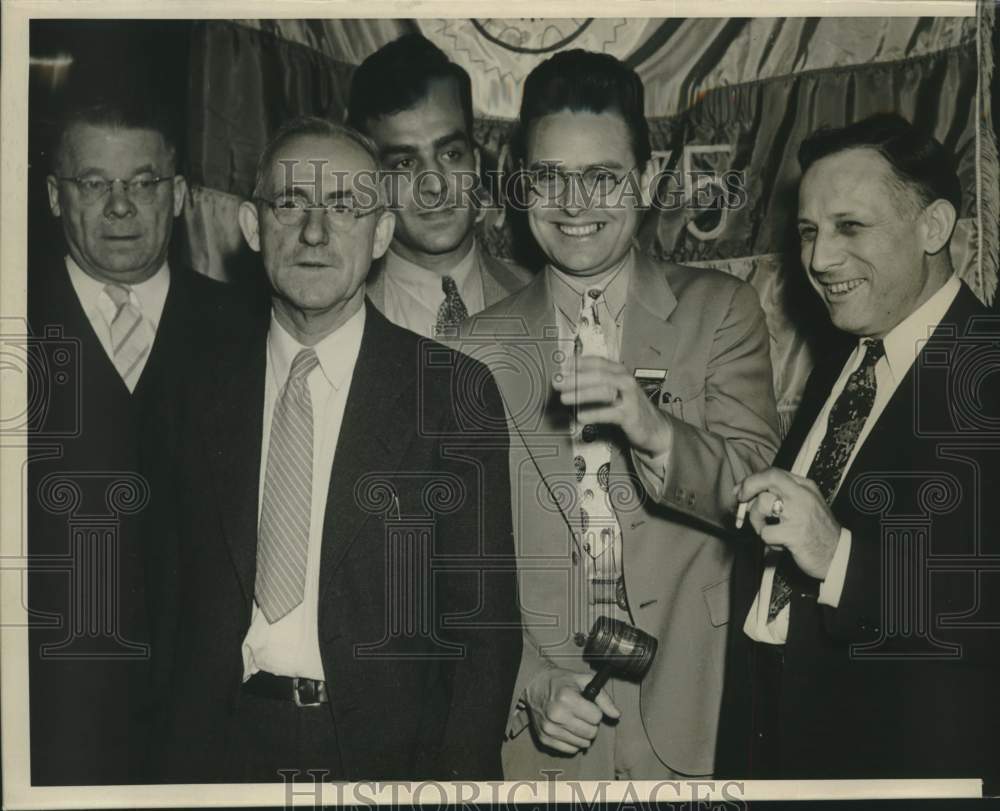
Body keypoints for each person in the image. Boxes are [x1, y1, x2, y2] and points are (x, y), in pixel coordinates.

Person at [150, 116, 521, 782]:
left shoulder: (448, 393)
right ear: (251, 226)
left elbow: (484, 633)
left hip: (387, 756)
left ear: (382, 233)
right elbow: (164, 600)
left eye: (345, 206)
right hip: (217, 750)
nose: (315, 232)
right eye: (291, 203)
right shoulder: (192, 385)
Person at [459, 50, 780, 780]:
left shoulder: (721, 311)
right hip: (543, 741)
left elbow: (761, 495)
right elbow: (457, 571)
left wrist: (656, 431)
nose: (574, 204)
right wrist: (530, 684)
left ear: (641, 179)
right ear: (521, 186)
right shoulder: (473, 350)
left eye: (601, 176)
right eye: (549, 176)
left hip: (701, 719)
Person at [719, 113, 1000, 782]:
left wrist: (837, 555)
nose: (819, 259)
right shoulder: (848, 361)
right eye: (810, 232)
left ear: (934, 227)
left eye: (851, 227)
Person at [27, 95, 234, 784]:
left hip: (212, 732)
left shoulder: (247, 330)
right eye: (94, 183)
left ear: (176, 195)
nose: (120, 206)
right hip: (48, 730)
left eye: (142, 183)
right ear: (56, 198)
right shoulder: (12, 324)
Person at [346, 33, 530, 338]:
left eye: (450, 154)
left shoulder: (543, 298)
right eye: (404, 163)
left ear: (476, 163)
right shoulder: (336, 313)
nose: (434, 186)